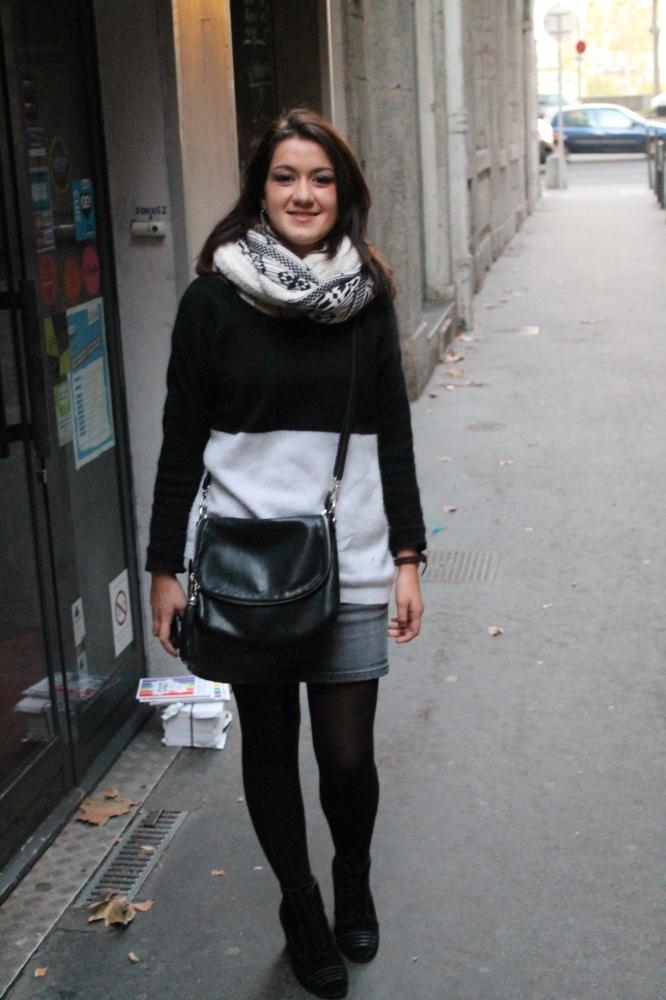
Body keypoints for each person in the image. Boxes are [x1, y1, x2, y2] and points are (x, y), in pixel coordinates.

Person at [147, 108, 426, 1000]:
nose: (303, 194)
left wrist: (409, 555)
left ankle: (351, 876)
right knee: (269, 749)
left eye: (320, 178)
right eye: (285, 177)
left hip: (352, 557)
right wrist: (163, 567)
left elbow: (393, 437)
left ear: (342, 193)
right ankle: (301, 907)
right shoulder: (211, 302)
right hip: (243, 569)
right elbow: (181, 441)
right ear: (259, 190)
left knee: (346, 758)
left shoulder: (367, 300)